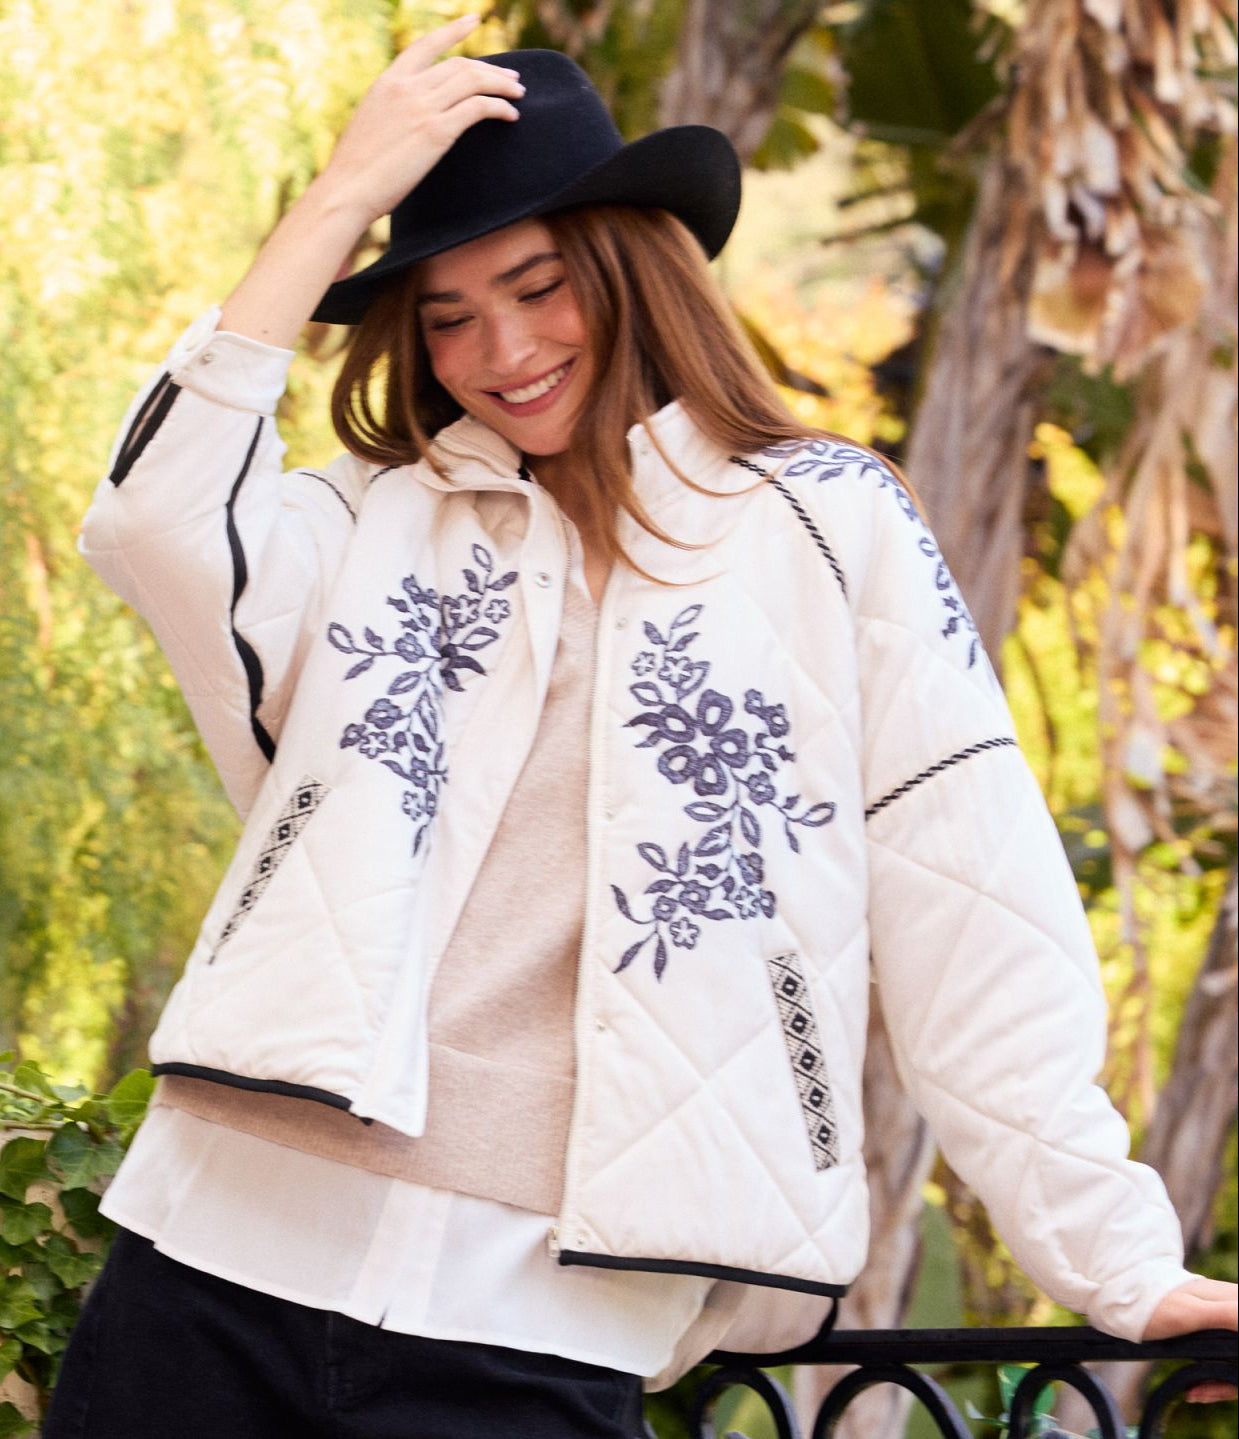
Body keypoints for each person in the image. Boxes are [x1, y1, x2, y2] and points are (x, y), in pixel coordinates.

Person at [47, 16, 1235, 1439]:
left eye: (540, 288)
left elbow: (968, 895)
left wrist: (1115, 1258)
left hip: (543, 1321)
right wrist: (339, 198)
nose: (502, 349)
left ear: (630, 264)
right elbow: (150, 521)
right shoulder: (373, 514)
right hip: (214, 1263)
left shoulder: (832, 526)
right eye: (446, 315)